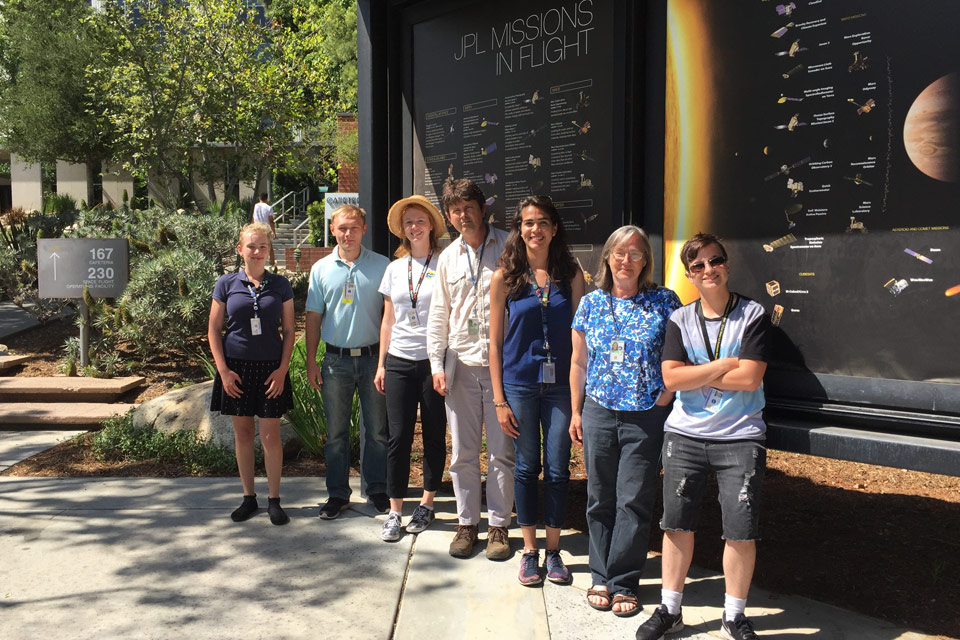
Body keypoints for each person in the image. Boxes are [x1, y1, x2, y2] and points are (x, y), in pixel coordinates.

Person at [635, 233, 771, 640]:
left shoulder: (753, 314)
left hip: (741, 436)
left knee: (740, 531)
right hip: (685, 435)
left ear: (727, 265)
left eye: (715, 261)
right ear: (690, 275)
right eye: (698, 265)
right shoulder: (680, 319)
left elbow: (750, 379)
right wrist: (725, 363)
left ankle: (734, 616)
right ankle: (670, 610)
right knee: (676, 526)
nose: (708, 270)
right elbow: (670, 377)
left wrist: (699, 370)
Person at [570, 226, 681, 616]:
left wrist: (664, 398)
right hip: (599, 410)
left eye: (636, 253)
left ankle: (623, 581)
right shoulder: (591, 303)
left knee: (634, 499)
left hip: (645, 416)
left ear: (645, 260)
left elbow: (677, 357)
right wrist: (576, 410)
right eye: (619, 252)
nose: (627, 260)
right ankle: (599, 575)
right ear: (608, 259)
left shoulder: (664, 301)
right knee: (600, 497)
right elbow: (579, 362)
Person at [489, 195, 584, 585]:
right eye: (528, 223)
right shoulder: (505, 277)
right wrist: (498, 399)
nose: (536, 230)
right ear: (520, 228)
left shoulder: (571, 273)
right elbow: (494, 343)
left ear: (554, 228)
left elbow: (582, 337)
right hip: (520, 383)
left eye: (543, 222)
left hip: (562, 385)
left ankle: (554, 550)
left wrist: (581, 395)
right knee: (527, 467)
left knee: (559, 468)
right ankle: (529, 551)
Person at [426, 177, 515, 560]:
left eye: (469, 207)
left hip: (502, 366)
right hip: (460, 364)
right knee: (462, 452)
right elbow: (439, 314)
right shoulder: (447, 257)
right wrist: (436, 363)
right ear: (449, 215)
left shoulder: (511, 248)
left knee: (501, 452)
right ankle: (467, 525)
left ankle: (498, 527)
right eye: (455, 210)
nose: (463, 215)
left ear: (483, 209)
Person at [305, 204, 391, 519]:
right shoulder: (321, 269)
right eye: (342, 228)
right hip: (335, 362)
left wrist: (384, 362)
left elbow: (390, 318)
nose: (348, 234)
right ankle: (337, 494)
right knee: (337, 434)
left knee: (377, 432)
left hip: (372, 361)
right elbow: (313, 317)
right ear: (332, 230)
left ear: (364, 229)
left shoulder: (382, 266)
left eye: (354, 227)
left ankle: (377, 490)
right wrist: (312, 362)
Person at [208, 221, 295, 525]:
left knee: (271, 436)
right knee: (243, 434)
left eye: (263, 247)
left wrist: (283, 370)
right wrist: (224, 371)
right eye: (251, 246)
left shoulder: (280, 285)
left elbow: (288, 330)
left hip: (271, 369)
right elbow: (214, 330)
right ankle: (248, 498)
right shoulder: (226, 283)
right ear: (240, 249)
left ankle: (274, 500)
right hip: (236, 369)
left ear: (269, 251)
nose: (257, 252)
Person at [374, 195, 448, 541]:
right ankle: (394, 510)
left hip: (434, 362)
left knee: (434, 433)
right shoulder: (394, 269)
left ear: (431, 224)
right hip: (400, 361)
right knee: (398, 436)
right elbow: (388, 319)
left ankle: (428, 502)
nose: (414, 227)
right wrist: (382, 364)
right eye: (408, 223)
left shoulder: (445, 264)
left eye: (420, 220)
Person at [252, 193, 278, 268]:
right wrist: (274, 232)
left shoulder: (256, 206)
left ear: (259, 198)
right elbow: (271, 221)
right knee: (269, 246)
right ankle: (272, 263)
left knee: (256, 246)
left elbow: (253, 218)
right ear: (266, 199)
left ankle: (256, 262)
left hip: (256, 228)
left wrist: (252, 227)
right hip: (265, 229)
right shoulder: (269, 208)